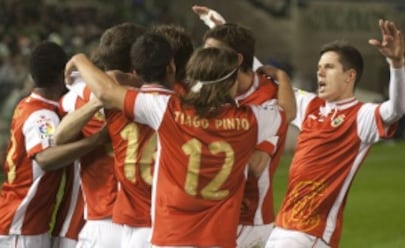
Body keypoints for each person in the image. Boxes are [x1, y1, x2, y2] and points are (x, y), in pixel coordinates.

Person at [64, 44, 295, 247]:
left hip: (171, 237)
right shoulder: (253, 120)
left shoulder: (168, 110)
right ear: (232, 82)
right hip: (218, 240)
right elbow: (288, 111)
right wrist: (283, 78)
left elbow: (106, 91)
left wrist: (79, 59)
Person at [262, 19, 405, 248]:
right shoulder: (310, 106)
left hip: (311, 232)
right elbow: (264, 80)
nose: (320, 71)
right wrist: (225, 36)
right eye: (319, 67)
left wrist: (396, 64)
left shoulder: (361, 116)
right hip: (284, 225)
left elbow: (397, 108)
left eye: (329, 67)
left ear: (349, 76)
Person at [195, 8, 294, 247]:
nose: (207, 58)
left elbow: (256, 166)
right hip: (206, 214)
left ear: (237, 60)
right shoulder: (204, 89)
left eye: (214, 52)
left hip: (247, 220)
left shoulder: (268, 101)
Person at [0, 41, 106, 248]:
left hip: (22, 222)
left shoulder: (26, 104)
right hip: (20, 227)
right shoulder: (43, 115)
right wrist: (95, 140)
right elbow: (46, 158)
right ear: (62, 74)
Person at [53, 22, 146, 248]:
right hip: (145, 221)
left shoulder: (76, 97)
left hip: (101, 220)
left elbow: (58, 137)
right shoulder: (155, 98)